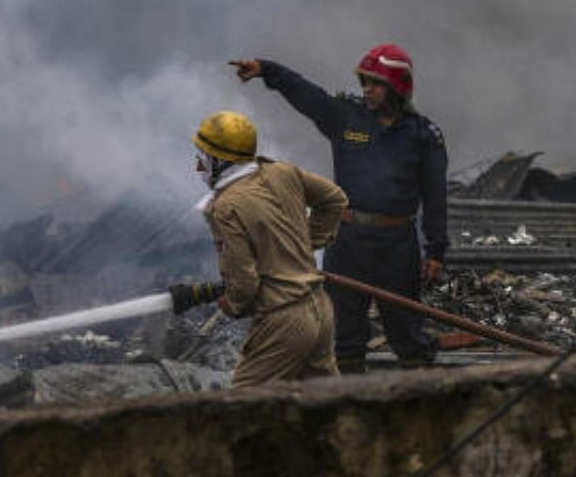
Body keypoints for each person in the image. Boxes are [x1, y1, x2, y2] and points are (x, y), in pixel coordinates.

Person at [231, 44, 448, 372]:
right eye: (365, 82)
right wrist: (267, 69)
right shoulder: (347, 117)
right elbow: (307, 95)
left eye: (376, 83)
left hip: (396, 243)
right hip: (347, 241)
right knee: (343, 336)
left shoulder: (423, 135)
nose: (368, 90)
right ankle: (349, 406)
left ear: (397, 86)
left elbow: (435, 196)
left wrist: (436, 251)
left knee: (406, 332)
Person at [189, 110, 348, 386]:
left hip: (284, 319)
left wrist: (234, 304)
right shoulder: (282, 172)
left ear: (220, 160)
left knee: (244, 406)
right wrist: (305, 244)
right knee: (327, 405)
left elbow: (244, 283)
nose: (198, 168)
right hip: (320, 308)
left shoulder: (225, 207)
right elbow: (334, 199)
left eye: (203, 159)